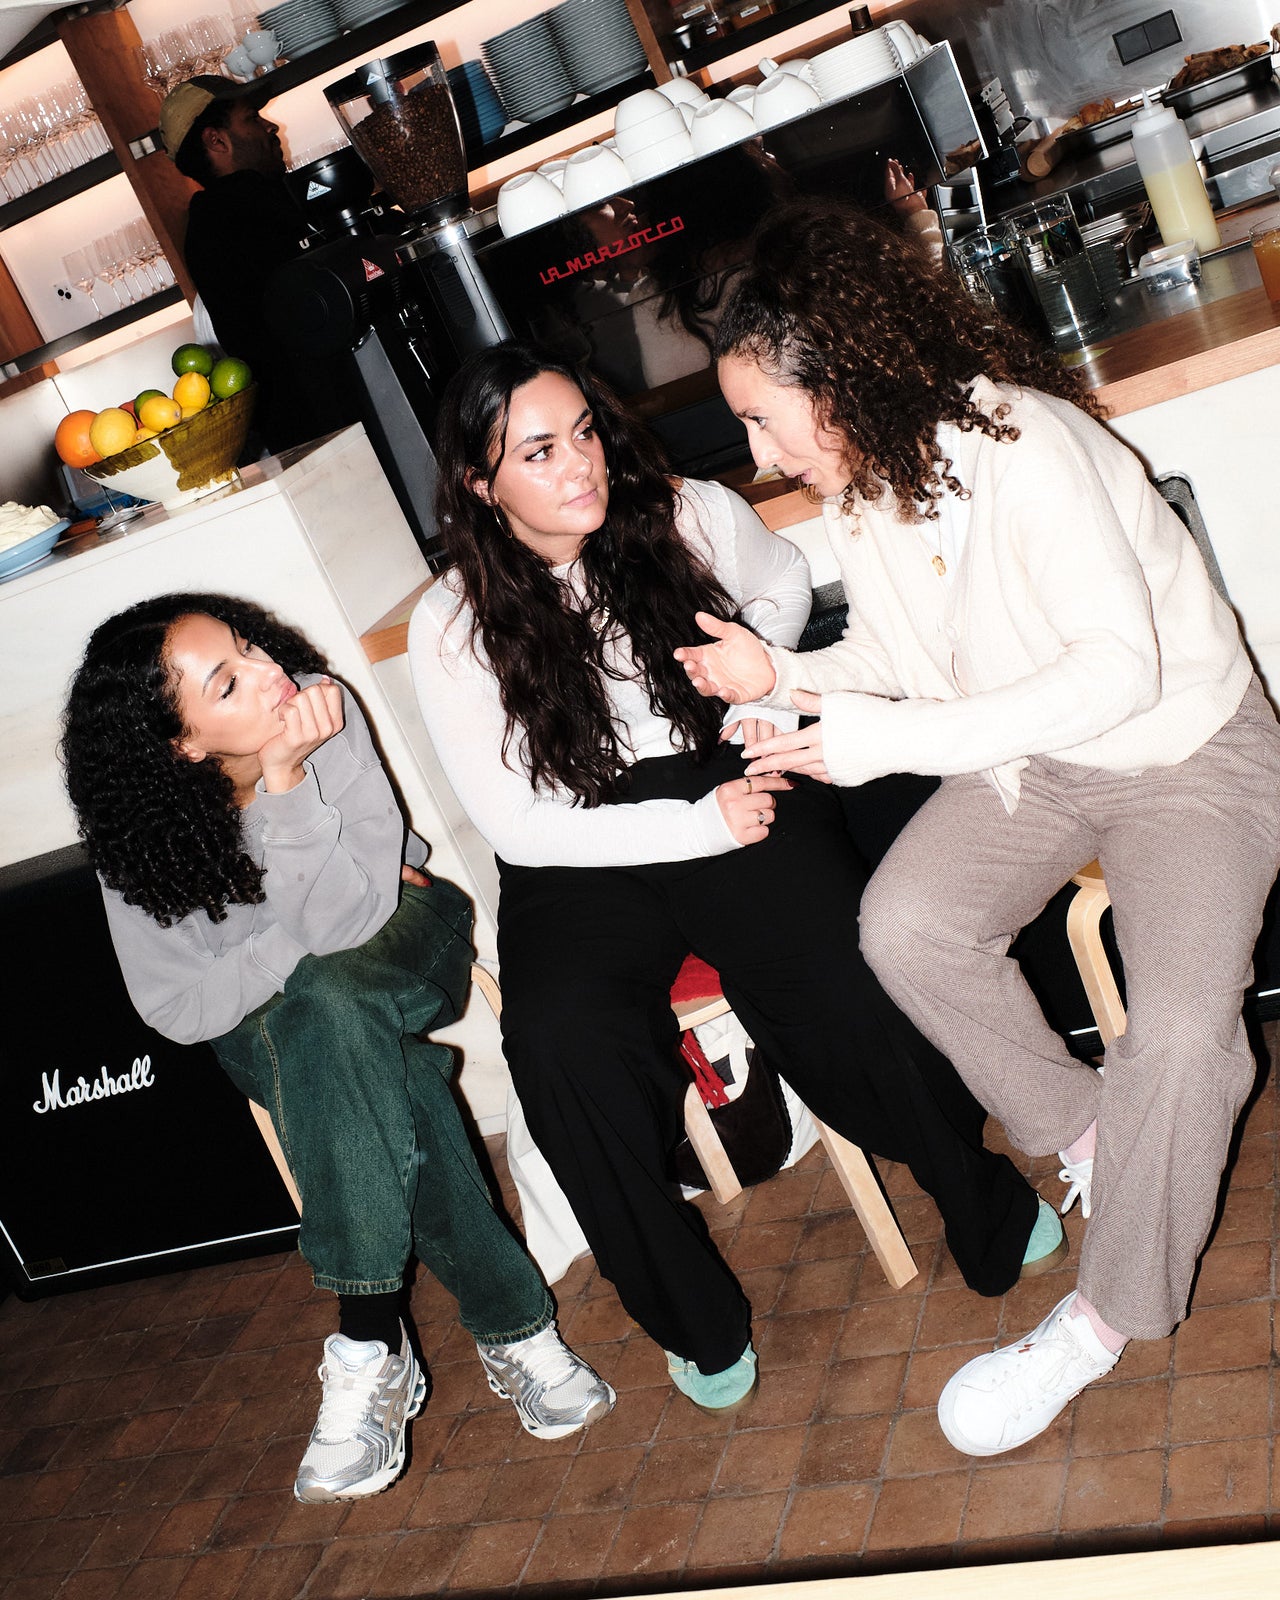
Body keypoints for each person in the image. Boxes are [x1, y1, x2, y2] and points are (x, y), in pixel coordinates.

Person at [675, 197, 1280, 1455]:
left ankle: (1100, 1321)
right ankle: (1095, 1138)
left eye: (762, 418)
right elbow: (898, 649)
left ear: (839, 380)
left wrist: (874, 740)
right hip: (1036, 759)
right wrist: (784, 676)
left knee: (1180, 1034)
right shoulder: (867, 477)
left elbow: (1113, 672)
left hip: (1184, 751)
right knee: (904, 928)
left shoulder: (1023, 445)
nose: (759, 455)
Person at [407, 341, 1069, 1415]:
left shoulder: (686, 512)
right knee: (558, 1042)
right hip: (578, 840)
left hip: (722, 769)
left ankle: (974, 1192)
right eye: (538, 451)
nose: (580, 464)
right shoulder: (450, 621)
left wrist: (756, 695)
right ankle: (691, 1316)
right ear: (481, 485)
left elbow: (784, 584)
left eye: (584, 432)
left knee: (836, 968)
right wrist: (690, 829)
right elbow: (516, 824)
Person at [61, 592, 614, 1505]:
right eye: (228, 683)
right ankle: (516, 1331)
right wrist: (285, 947)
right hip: (279, 1020)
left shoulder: (321, 708)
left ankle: (369, 1338)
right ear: (182, 745)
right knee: (358, 1046)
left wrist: (286, 783)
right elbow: (177, 1007)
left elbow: (351, 920)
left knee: (328, 1002)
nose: (269, 673)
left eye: (247, 646)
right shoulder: (138, 837)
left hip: (406, 934)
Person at [159, 77, 352, 453]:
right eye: (252, 118)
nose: (271, 126)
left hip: (306, 430)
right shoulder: (241, 207)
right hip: (335, 417)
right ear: (217, 141)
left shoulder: (213, 218)